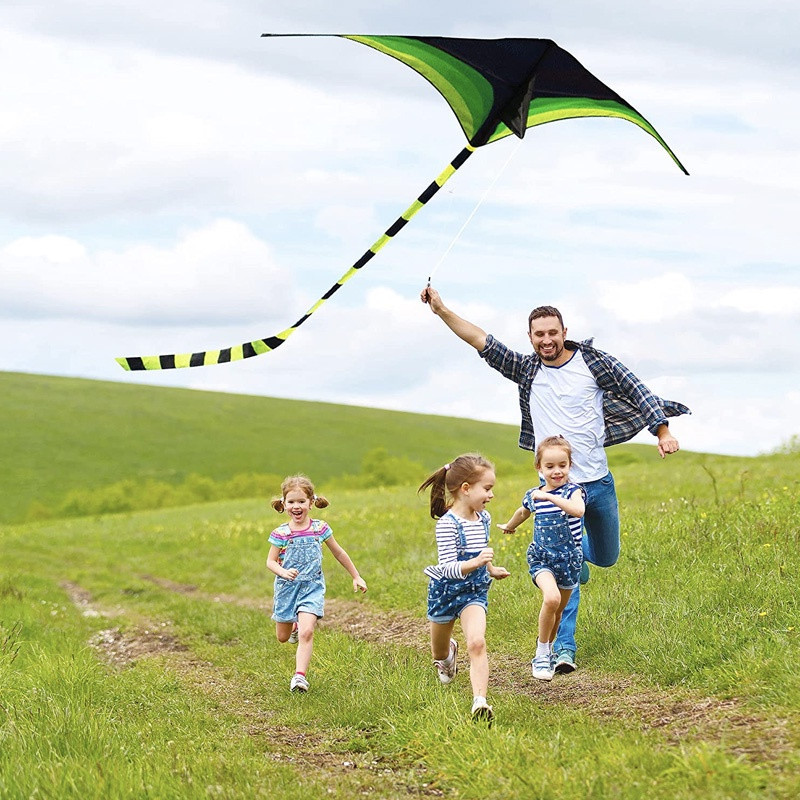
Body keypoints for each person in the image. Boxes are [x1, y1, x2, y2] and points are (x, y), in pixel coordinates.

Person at [421, 285, 689, 674]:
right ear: (530, 338)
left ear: (564, 332)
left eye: (552, 332)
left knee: (607, 556)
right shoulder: (526, 369)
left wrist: (662, 431)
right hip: (555, 491)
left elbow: (637, 389)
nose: (546, 340)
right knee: (565, 568)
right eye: (538, 334)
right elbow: (480, 340)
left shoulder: (593, 363)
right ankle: (562, 648)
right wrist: (442, 310)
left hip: (597, 484)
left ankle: (577, 559)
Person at [418, 453, 510, 724]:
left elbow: (481, 552)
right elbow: (447, 568)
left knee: (477, 642)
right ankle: (448, 656)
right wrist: (477, 562)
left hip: (473, 592)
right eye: (487, 488)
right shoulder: (447, 524)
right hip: (445, 593)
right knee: (438, 653)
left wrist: (490, 568)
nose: (491, 495)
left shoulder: (484, 518)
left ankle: (480, 701)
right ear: (466, 488)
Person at [267, 474, 367, 693]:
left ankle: (299, 677)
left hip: (312, 588)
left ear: (311, 503)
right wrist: (283, 572)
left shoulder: (320, 528)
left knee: (307, 632)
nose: (296, 506)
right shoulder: (281, 533)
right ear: (284, 504)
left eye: (301, 501)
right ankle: (293, 625)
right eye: (291, 502)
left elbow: (339, 553)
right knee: (283, 637)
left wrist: (356, 575)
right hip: (286, 589)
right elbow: (270, 561)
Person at [498, 436, 586, 681]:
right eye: (550, 466)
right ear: (539, 467)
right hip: (542, 559)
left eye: (562, 465)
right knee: (552, 598)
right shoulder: (534, 494)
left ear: (570, 465)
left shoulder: (574, 492)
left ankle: (547, 645)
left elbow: (578, 511)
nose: (557, 471)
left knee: (558, 611)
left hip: (569, 561)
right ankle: (542, 654)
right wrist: (510, 525)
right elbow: (523, 511)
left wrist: (550, 497)